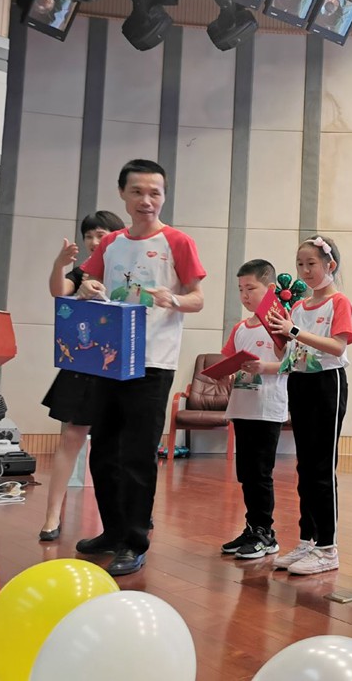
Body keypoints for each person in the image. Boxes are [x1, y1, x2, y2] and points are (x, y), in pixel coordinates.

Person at [75, 159, 206, 576]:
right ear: (123, 194)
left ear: (164, 196)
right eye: (137, 192)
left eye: (155, 193)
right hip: (108, 357)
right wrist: (87, 287)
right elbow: (86, 283)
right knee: (103, 450)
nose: (146, 200)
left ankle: (134, 541)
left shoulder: (177, 241)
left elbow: (198, 298)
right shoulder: (111, 242)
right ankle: (112, 532)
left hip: (152, 361)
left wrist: (173, 299)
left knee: (137, 453)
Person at [265, 236, 352, 576]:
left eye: (311, 264)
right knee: (305, 468)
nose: (305, 271)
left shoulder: (338, 302)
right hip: (300, 381)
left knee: (322, 468)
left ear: (330, 265)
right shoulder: (299, 307)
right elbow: (287, 351)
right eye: (300, 264)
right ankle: (308, 540)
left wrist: (294, 330)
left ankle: (328, 547)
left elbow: (337, 346)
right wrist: (278, 333)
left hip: (327, 384)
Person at [39, 210, 124, 541]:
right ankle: (51, 516)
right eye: (89, 235)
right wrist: (59, 265)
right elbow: (59, 291)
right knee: (71, 438)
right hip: (84, 365)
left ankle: (129, 516)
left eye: (101, 235)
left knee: (120, 444)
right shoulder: (82, 271)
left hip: (117, 365)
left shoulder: (128, 272)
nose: (93, 241)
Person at [219, 259, 288, 560]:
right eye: (240, 289)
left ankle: (265, 533)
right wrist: (226, 373)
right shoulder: (240, 328)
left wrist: (263, 367)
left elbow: (292, 364)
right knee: (246, 473)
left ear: (270, 289)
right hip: (243, 407)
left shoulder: (279, 322)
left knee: (260, 472)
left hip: (267, 408)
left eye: (251, 288)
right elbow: (227, 360)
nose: (245, 295)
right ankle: (251, 527)